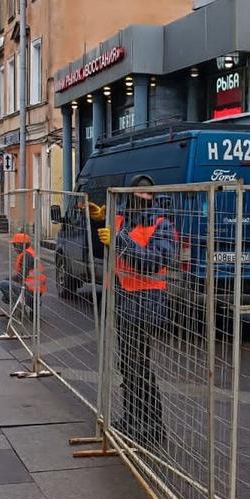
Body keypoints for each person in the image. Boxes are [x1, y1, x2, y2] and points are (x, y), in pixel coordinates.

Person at [98, 190, 176, 443]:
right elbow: (109, 240)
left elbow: (151, 262)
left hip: (145, 304)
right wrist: (98, 218)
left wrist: (118, 240)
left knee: (139, 366)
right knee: (128, 366)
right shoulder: (122, 220)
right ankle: (132, 418)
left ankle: (151, 426)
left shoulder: (161, 225)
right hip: (122, 301)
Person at [0, 232, 46, 310]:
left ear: (20, 245)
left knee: (3, 285)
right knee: (6, 286)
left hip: (29, 290)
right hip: (34, 290)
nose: (14, 248)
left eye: (15, 245)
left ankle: (22, 305)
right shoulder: (30, 253)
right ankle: (29, 302)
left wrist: (6, 281)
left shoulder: (26, 256)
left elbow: (21, 276)